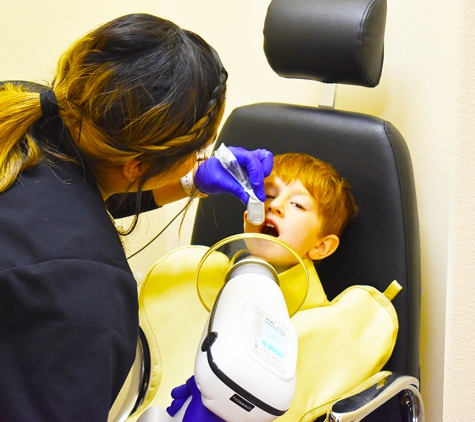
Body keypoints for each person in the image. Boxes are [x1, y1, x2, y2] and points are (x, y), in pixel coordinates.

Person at [0, 13, 273, 422]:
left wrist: (189, 182)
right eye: (199, 149)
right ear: (136, 164)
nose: (201, 158)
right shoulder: (86, 291)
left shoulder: (23, 109)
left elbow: (69, 191)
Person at [137, 152, 400, 422]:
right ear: (246, 219)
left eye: (298, 205)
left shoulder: (326, 328)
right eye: (270, 196)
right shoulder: (194, 280)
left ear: (322, 246)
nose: (275, 206)